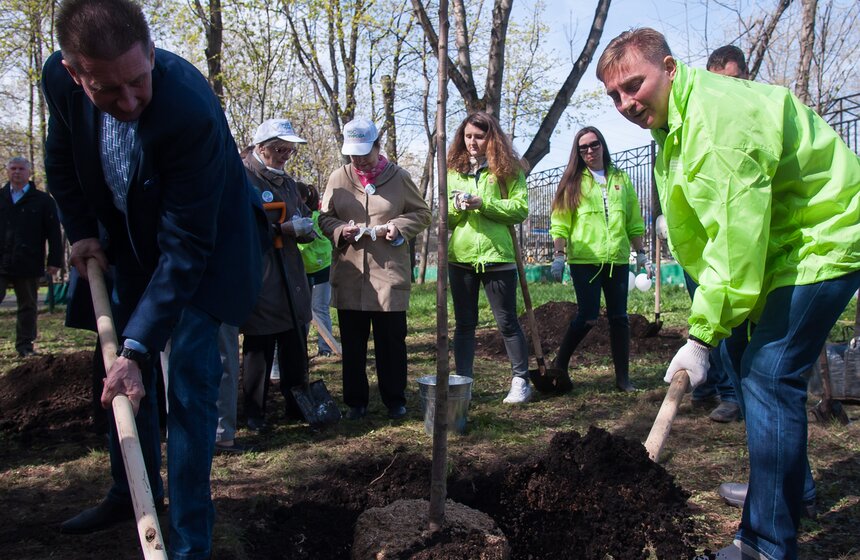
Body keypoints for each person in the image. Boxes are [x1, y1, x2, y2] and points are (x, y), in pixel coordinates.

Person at [597, 28, 860, 559]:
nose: (625, 103)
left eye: (633, 85)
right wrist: (715, 328)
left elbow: (736, 241)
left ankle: (763, 540)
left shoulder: (716, 122)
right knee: (746, 360)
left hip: (821, 239)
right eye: (614, 96)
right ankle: (785, 490)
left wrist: (699, 336)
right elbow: (712, 229)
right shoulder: (676, 121)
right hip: (779, 248)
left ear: (668, 68)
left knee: (768, 375)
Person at [43, 1, 266, 559]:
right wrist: (81, 230)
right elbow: (62, 159)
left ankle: (190, 539)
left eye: (137, 82)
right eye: (107, 90)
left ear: (150, 52)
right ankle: (132, 492)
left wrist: (140, 347)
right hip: (127, 244)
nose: (129, 101)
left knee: (188, 388)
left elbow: (187, 245)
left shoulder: (188, 107)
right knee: (118, 377)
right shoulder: (58, 80)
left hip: (207, 253)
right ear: (75, 73)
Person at [319, 117, 430, 420]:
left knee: (391, 341)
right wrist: (341, 230)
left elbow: (422, 213)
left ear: (377, 147)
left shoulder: (399, 177)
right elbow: (324, 218)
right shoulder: (338, 179)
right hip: (351, 274)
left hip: (388, 274)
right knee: (353, 343)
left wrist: (398, 227)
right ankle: (356, 401)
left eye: (364, 153)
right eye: (353, 154)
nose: (358, 160)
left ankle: (395, 399)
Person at [548, 127, 647, 392]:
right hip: (585, 261)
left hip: (617, 259)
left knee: (619, 318)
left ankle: (623, 379)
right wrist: (559, 255)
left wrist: (641, 252)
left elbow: (633, 220)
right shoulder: (572, 181)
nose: (590, 151)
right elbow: (560, 223)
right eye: (583, 148)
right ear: (578, 152)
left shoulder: (621, 179)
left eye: (594, 145)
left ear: (602, 145)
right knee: (588, 316)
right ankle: (560, 364)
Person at [447, 111, 533, 403]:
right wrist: (458, 206)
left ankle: (521, 379)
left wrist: (484, 204)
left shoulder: (508, 170)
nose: (472, 142)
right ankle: (463, 384)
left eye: (479, 137)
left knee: (507, 321)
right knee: (464, 324)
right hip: (461, 257)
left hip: (498, 256)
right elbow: (445, 219)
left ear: (491, 138)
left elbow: (520, 209)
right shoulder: (452, 171)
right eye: (468, 136)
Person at [686, 44, 750, 423]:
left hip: (740, 243)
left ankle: (737, 395)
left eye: (733, 81)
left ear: (745, 75)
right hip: (704, 245)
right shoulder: (701, 122)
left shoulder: (756, 114)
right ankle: (724, 390)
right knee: (720, 331)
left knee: (742, 335)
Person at [240, 119, 313, 432]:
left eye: (289, 150)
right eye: (278, 149)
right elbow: (241, 228)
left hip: (292, 273)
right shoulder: (245, 178)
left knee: (295, 339)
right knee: (260, 343)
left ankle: (297, 404)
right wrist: (279, 230)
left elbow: (303, 215)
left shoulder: (286, 181)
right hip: (262, 272)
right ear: (260, 148)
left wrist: (306, 229)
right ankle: (255, 412)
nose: (284, 155)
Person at [0, 157, 63, 357]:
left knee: (27, 306)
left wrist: (54, 261)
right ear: (7, 171)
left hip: (28, 262)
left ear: (29, 173)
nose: (16, 172)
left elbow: (54, 233)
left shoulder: (43, 201)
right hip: (1, 261)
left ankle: (25, 346)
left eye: (21, 169)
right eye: (13, 168)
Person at [297, 181, 335, 357]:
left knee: (318, 308)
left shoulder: (313, 218)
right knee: (307, 310)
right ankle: (301, 347)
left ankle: (325, 348)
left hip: (320, 269)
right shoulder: (300, 217)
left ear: (304, 198)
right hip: (306, 270)